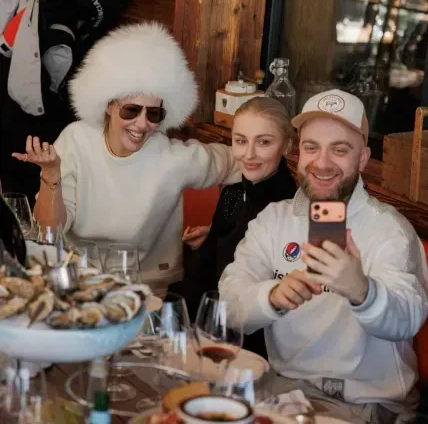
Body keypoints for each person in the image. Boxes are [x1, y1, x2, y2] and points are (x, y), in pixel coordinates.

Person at [219, 89, 428, 423]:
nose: (322, 163)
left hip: (366, 406)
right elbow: (228, 308)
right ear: (299, 152)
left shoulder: (389, 229)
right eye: (311, 147)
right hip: (284, 393)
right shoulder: (273, 220)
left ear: (363, 158)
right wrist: (272, 297)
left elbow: (407, 318)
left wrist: (362, 290)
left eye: (340, 150)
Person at [12, 22, 241, 290]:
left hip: (143, 286)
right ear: (109, 105)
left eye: (153, 114)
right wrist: (51, 175)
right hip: (76, 279)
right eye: (131, 110)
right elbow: (49, 229)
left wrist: (220, 227)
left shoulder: (172, 157)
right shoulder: (76, 140)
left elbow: (240, 161)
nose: (142, 124)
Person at [184, 98, 297, 339]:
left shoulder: (287, 209)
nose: (249, 154)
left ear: (287, 145)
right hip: (209, 324)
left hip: (252, 338)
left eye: (264, 142)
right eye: (241, 141)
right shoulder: (233, 194)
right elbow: (206, 272)